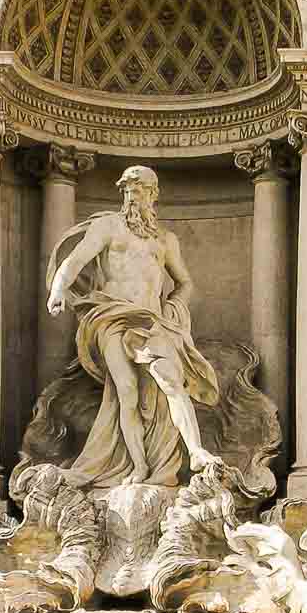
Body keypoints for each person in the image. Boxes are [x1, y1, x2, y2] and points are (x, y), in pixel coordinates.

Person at [45, 165, 222, 487]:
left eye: (138, 189)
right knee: (125, 391)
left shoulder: (165, 240)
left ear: (153, 194)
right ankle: (139, 466)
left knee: (171, 381)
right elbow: (76, 259)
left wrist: (175, 307)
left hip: (150, 321)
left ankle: (196, 451)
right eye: (127, 189)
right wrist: (58, 288)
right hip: (111, 315)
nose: (132, 195)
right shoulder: (107, 226)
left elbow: (184, 282)